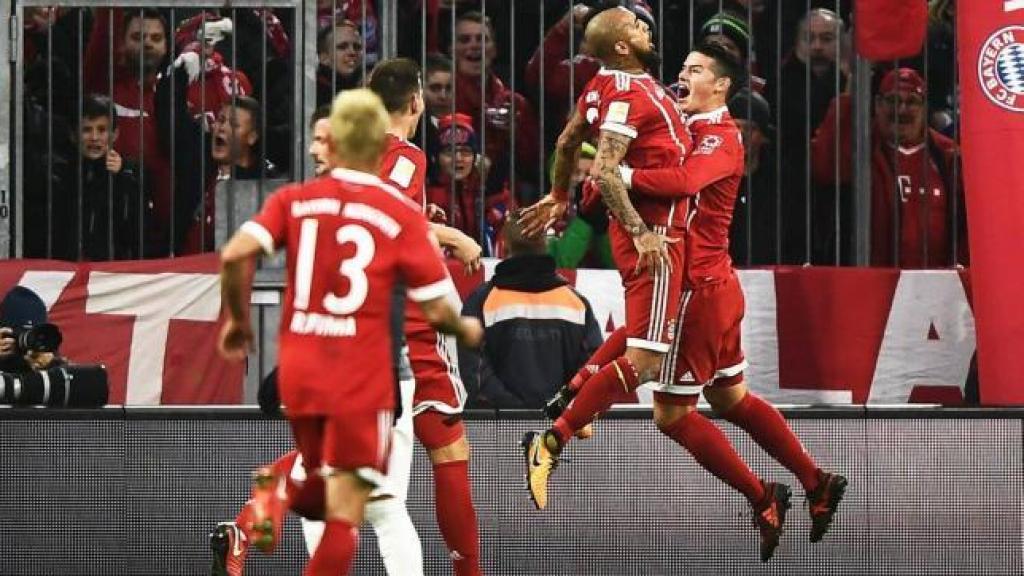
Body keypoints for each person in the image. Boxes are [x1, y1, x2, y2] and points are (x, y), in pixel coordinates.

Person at [217, 88, 482, 574]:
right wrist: (462, 328)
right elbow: (434, 300)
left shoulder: (297, 200)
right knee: (382, 506)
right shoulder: (396, 213)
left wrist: (236, 321)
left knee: (322, 483)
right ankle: (264, 505)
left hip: (305, 364)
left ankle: (257, 512)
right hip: (372, 369)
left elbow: (235, 254)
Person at [619, 40, 848, 562]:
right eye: (681, 68)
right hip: (716, 285)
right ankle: (816, 481)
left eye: (694, 70)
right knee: (728, 399)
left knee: (672, 415)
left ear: (721, 85)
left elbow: (682, 182)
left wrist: (621, 175)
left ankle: (764, 496)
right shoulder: (688, 129)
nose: (682, 77)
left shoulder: (719, 137)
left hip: (699, 291)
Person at [518, 5, 691, 511]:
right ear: (620, 46)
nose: (646, 29)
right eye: (637, 27)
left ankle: (574, 393)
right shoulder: (626, 95)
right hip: (657, 229)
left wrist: (557, 195)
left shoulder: (599, 83)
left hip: (654, 226)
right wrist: (641, 232)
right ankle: (554, 438)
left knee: (640, 333)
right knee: (648, 357)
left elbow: (569, 139)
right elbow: (608, 173)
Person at [369, 58, 486, 576]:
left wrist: (424, 219)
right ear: (415, 102)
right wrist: (452, 236)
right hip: (413, 315)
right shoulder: (406, 155)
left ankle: (250, 520)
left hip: (365, 319)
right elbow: (391, 217)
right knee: (447, 447)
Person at [811, 67, 967, 268]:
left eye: (911, 102)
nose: (901, 110)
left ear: (924, 107)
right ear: (877, 104)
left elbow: (967, 225)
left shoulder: (948, 157)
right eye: (893, 101)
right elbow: (824, 165)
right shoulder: (860, 150)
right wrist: (849, 98)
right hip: (874, 285)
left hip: (937, 287)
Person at [461, 209, 604, 408]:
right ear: (546, 243)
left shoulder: (480, 301)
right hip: (557, 431)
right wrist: (554, 410)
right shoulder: (577, 303)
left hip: (494, 431)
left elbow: (475, 375)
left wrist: (516, 414)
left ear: (504, 244)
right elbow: (592, 370)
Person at [765, 8, 848, 264]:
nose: (817, 46)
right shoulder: (780, 83)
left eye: (826, 38)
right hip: (792, 188)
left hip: (842, 191)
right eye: (809, 38)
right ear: (797, 41)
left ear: (841, 42)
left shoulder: (851, 81)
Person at [24, 94, 145, 261]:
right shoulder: (56, 172)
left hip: (109, 273)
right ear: (73, 135)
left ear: (115, 134)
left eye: (102, 130)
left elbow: (135, 231)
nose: (94, 137)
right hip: (63, 270)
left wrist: (121, 178)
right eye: (87, 129)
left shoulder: (131, 172)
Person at [427, 113, 510, 256]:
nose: (458, 158)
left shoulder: (491, 188)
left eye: (465, 152)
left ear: (475, 157)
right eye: (449, 152)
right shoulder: (428, 192)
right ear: (437, 157)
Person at [727, 90, 777, 265]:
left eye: (751, 128)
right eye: (736, 127)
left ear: (764, 137)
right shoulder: (712, 179)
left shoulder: (777, 183)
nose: (742, 135)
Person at [316, 20, 366, 107]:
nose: (352, 52)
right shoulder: (312, 93)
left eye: (357, 47)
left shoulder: (371, 89)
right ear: (324, 58)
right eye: (342, 47)